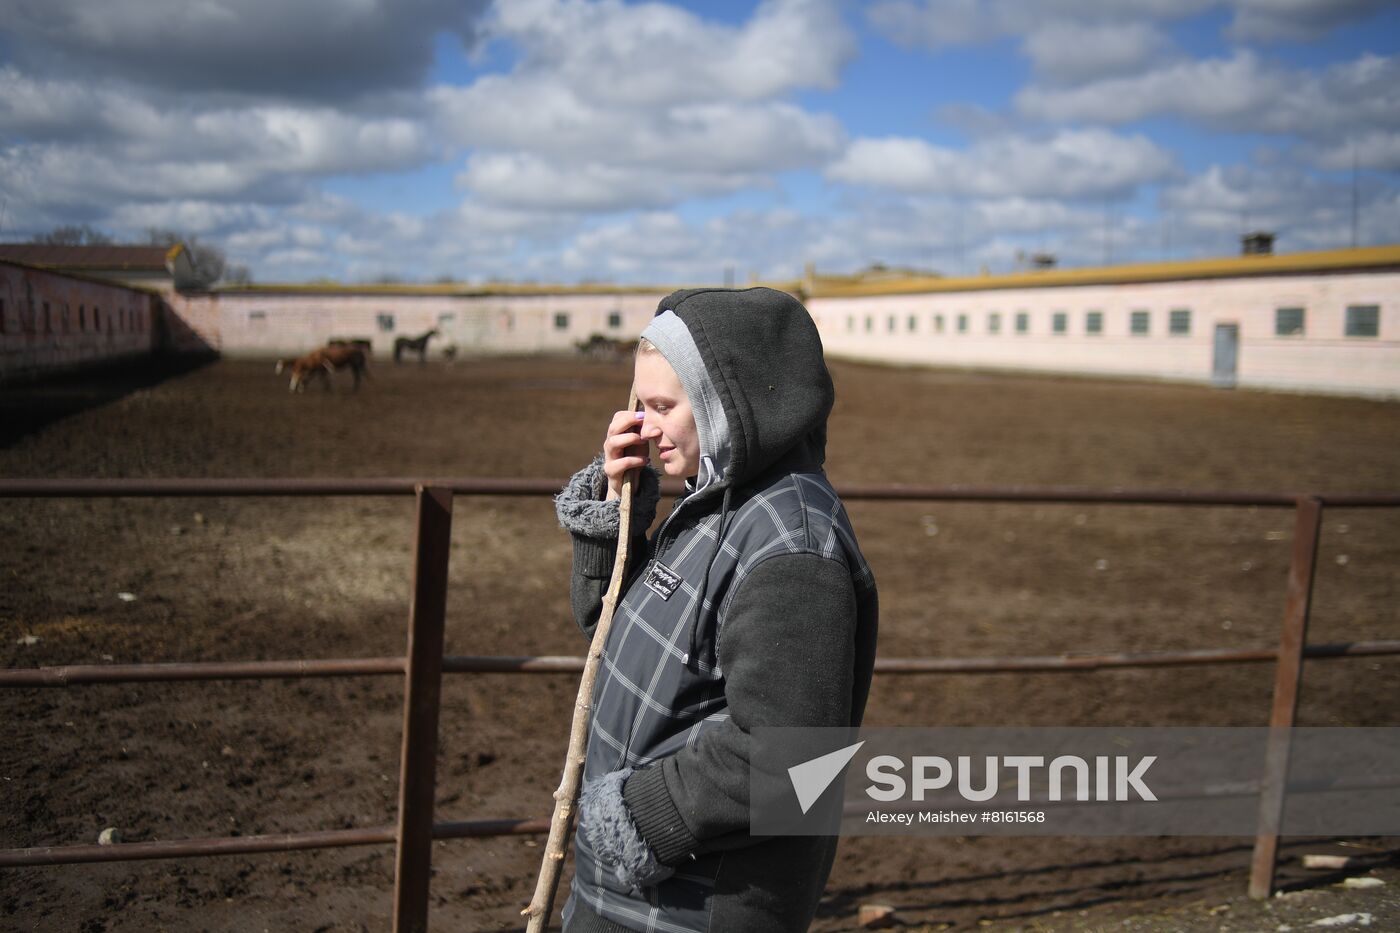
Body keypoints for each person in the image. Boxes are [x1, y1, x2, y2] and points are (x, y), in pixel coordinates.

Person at [554, 286, 879, 933]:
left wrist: (636, 814)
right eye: (637, 405)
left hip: (693, 905)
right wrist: (614, 520)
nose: (641, 425)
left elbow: (792, 756)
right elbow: (615, 640)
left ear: (726, 403)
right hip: (631, 890)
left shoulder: (793, 547)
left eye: (662, 406)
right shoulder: (710, 505)